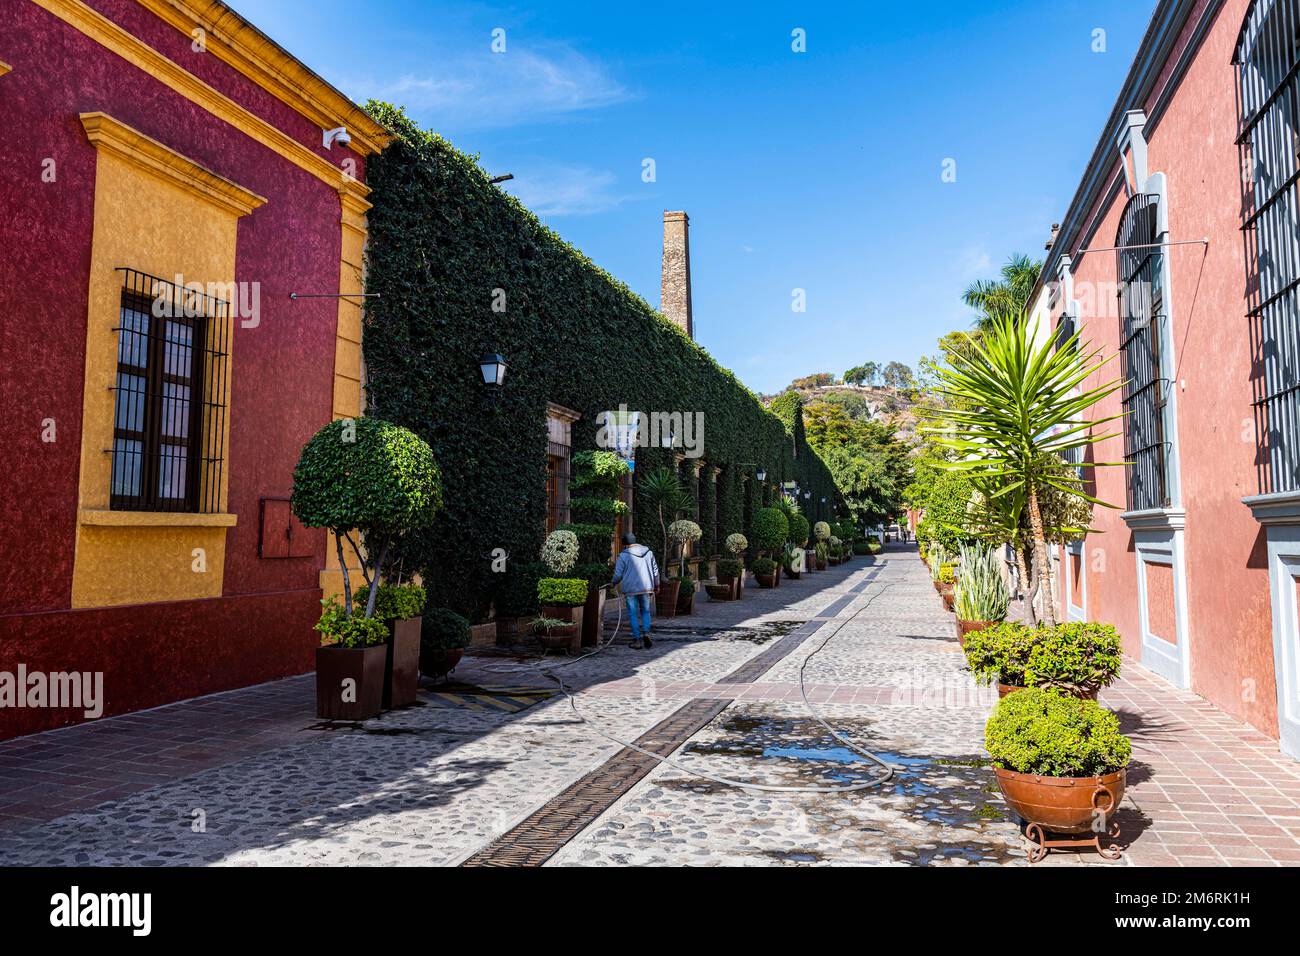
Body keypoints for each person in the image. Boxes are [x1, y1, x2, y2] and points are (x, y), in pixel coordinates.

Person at [610, 532, 660, 649]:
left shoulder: (623, 556)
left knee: (633, 614)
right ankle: (646, 633)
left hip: (630, 589)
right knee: (645, 611)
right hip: (646, 587)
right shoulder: (649, 553)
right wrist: (657, 584)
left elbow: (618, 574)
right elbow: (655, 570)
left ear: (626, 545)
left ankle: (637, 639)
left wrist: (613, 583)